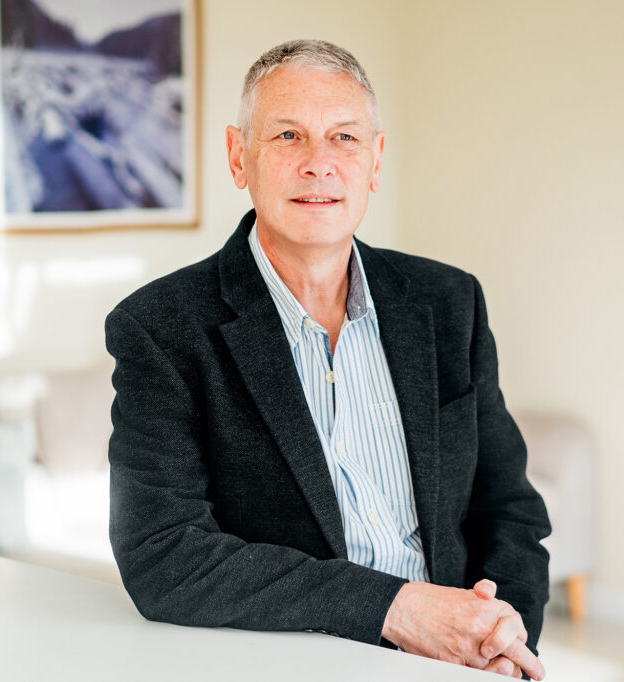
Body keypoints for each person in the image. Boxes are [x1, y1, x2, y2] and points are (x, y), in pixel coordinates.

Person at [106, 39, 550, 679]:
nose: (320, 164)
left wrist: (501, 642)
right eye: (288, 136)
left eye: (344, 138)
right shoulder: (161, 327)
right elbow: (163, 553)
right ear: (239, 157)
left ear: (375, 160)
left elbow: (509, 508)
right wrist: (395, 608)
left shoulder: (449, 303)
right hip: (291, 663)